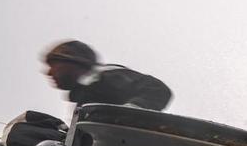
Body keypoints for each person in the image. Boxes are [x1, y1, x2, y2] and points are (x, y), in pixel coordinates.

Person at [43, 40, 172, 110]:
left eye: (54, 64)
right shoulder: (84, 96)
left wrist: (130, 111)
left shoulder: (106, 78)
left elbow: (157, 89)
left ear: (75, 62)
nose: (49, 72)